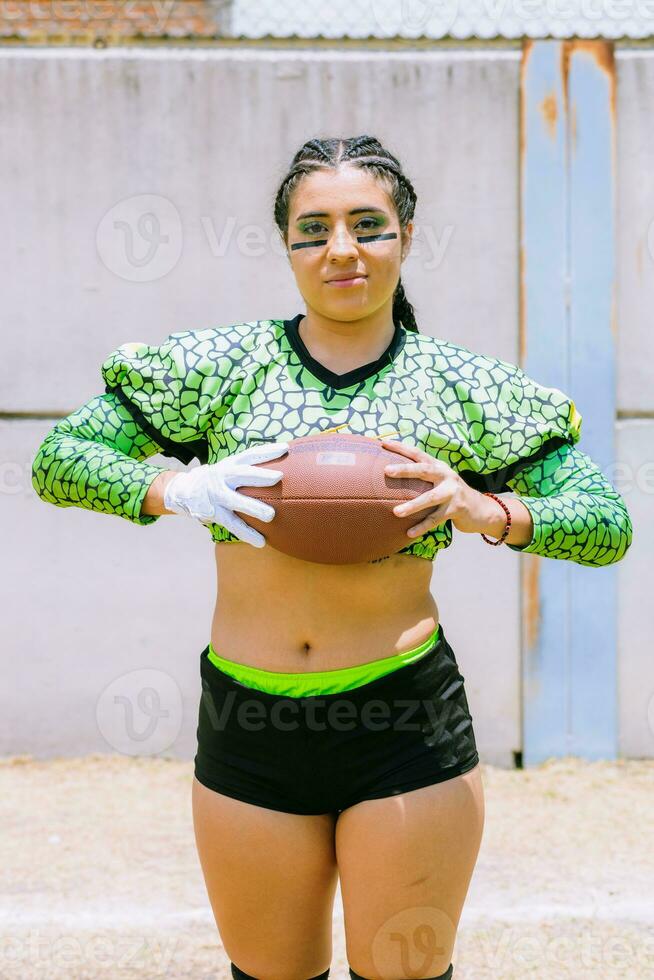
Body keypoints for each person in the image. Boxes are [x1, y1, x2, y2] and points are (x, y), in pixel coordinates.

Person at [31, 134, 633, 980]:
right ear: (286, 244)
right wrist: (176, 490)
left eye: (367, 225)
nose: (341, 249)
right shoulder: (217, 366)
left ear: (407, 236)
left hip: (403, 723)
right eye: (313, 229)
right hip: (249, 717)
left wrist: (484, 507)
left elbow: (605, 522)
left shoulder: (468, 384)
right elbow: (58, 459)